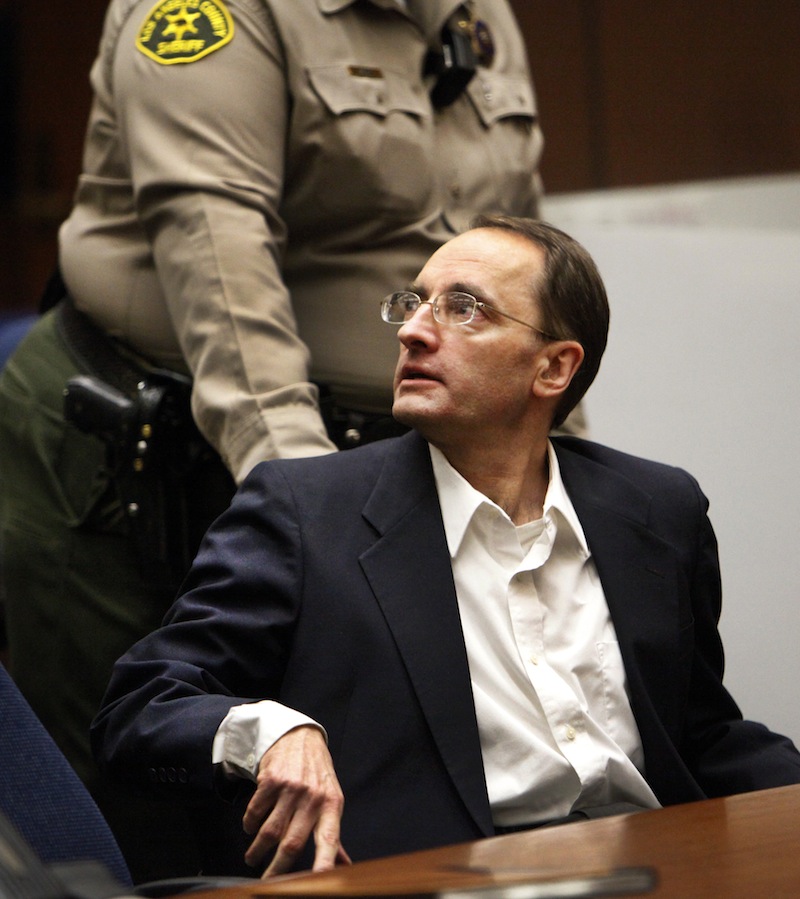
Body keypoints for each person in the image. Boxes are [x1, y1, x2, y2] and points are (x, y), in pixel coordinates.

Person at [0, 0, 555, 881]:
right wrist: (327, 529)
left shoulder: (475, 12)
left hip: (382, 459)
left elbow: (527, 272)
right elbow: (224, 280)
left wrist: (552, 474)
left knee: (376, 800)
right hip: (139, 465)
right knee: (150, 829)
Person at [91, 216, 800, 879]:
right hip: (446, 876)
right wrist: (268, 729)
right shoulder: (306, 513)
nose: (414, 333)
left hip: (659, 860)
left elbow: (700, 732)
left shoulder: (656, 509)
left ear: (553, 368)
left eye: (464, 309)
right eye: (414, 303)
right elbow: (138, 707)